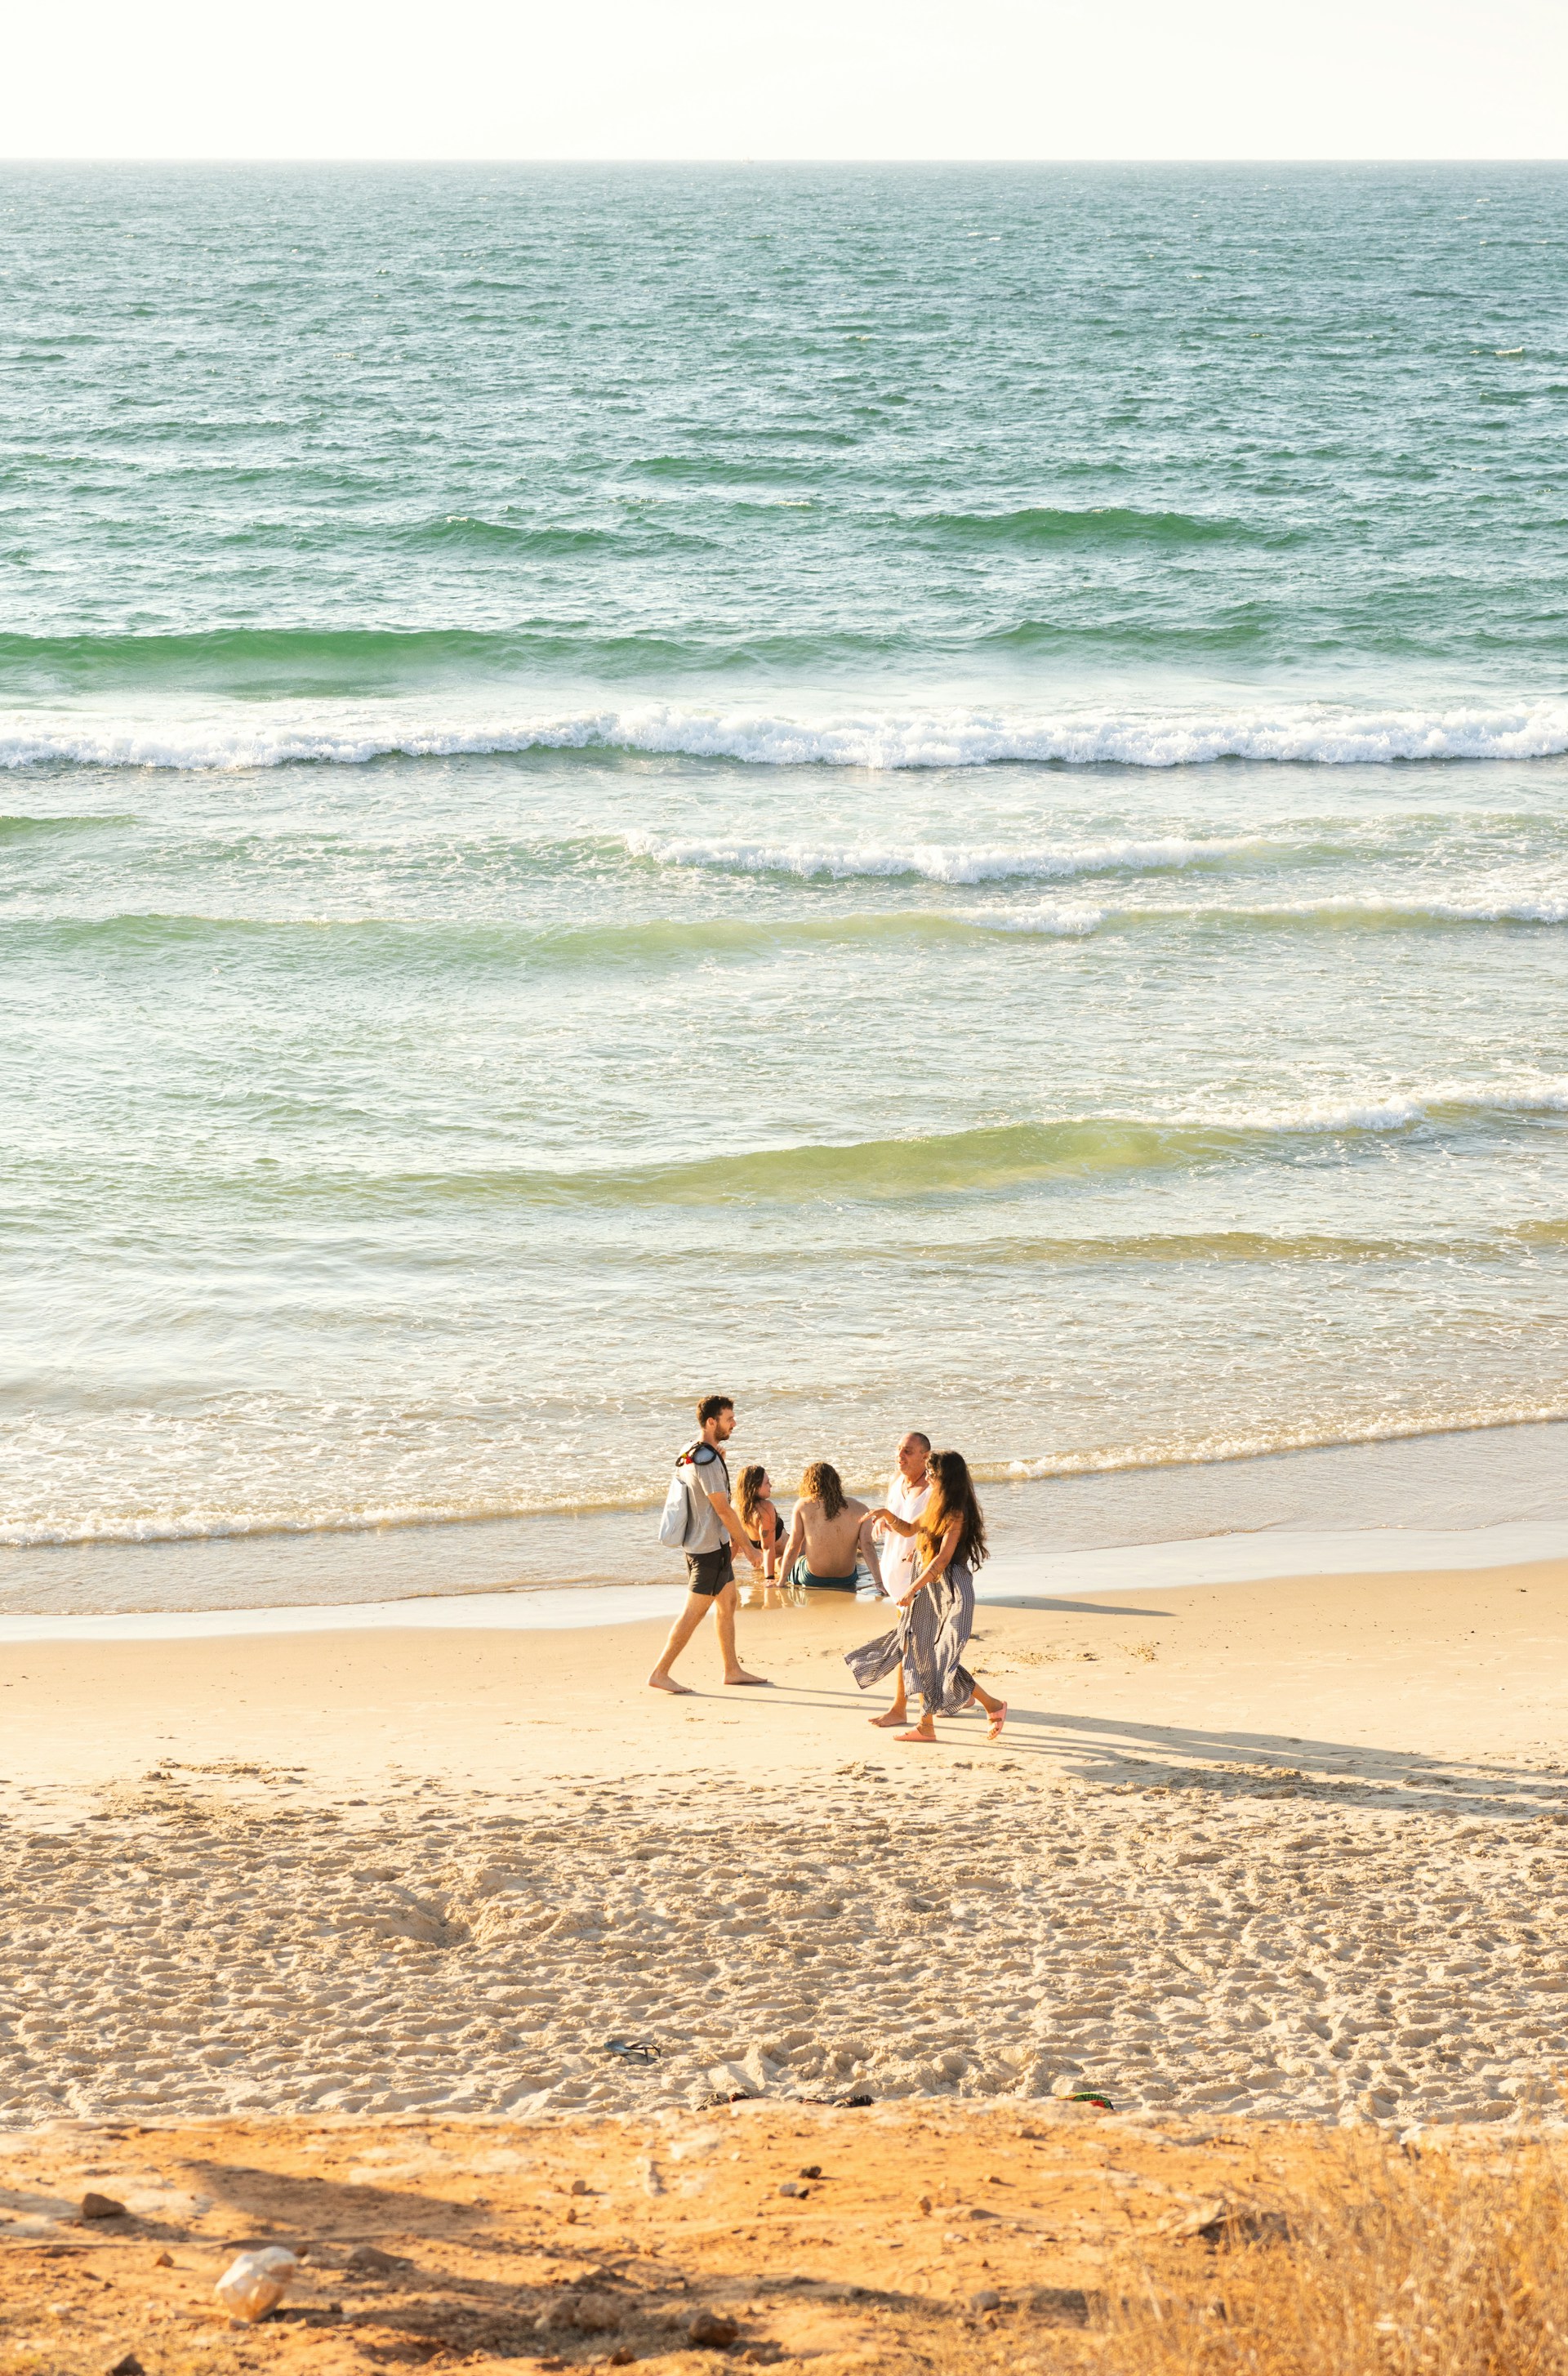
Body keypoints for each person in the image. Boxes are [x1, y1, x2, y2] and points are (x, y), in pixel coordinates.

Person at [845, 1448, 1007, 1743]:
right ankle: (975, 1711)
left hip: (950, 1588)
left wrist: (912, 1588)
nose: (928, 1477)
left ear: (946, 1477)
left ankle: (972, 1711)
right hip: (928, 1583)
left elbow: (942, 1560)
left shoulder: (956, 1512)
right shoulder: (936, 1504)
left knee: (939, 1656)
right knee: (917, 1647)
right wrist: (886, 1515)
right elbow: (908, 1529)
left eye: (933, 1473)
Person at [648, 1395, 768, 1695]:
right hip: (709, 1551)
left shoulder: (691, 1451)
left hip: (700, 1544)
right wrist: (751, 1549)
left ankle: (732, 1670)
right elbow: (723, 1510)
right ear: (711, 1422)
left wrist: (719, 1462)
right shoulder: (708, 1461)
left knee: (728, 1603)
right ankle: (660, 1672)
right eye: (729, 1418)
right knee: (694, 1613)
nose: (734, 1423)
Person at [866, 1431, 932, 1730]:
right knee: (919, 1644)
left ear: (925, 1457)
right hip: (894, 1573)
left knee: (910, 1645)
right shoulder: (897, 1482)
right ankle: (963, 1694)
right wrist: (883, 1519)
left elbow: (922, 1530)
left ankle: (899, 1708)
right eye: (898, 1450)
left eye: (907, 1451)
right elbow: (894, 1515)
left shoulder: (933, 1490)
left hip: (917, 1578)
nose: (900, 1456)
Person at [778, 1461, 886, 1595]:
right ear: (836, 1482)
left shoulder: (803, 1506)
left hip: (813, 1578)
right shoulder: (860, 1508)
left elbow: (793, 1546)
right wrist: (879, 1582)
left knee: (782, 1562)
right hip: (847, 1579)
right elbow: (867, 1546)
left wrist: (781, 1582)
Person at [735, 1464, 787, 1603]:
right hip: (771, 1558)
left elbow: (767, 1547)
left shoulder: (764, 1507)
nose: (771, 1485)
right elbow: (733, 1542)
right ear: (755, 1487)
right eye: (767, 1483)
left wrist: (768, 1579)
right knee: (781, 1565)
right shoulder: (738, 1507)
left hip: (789, 1551)